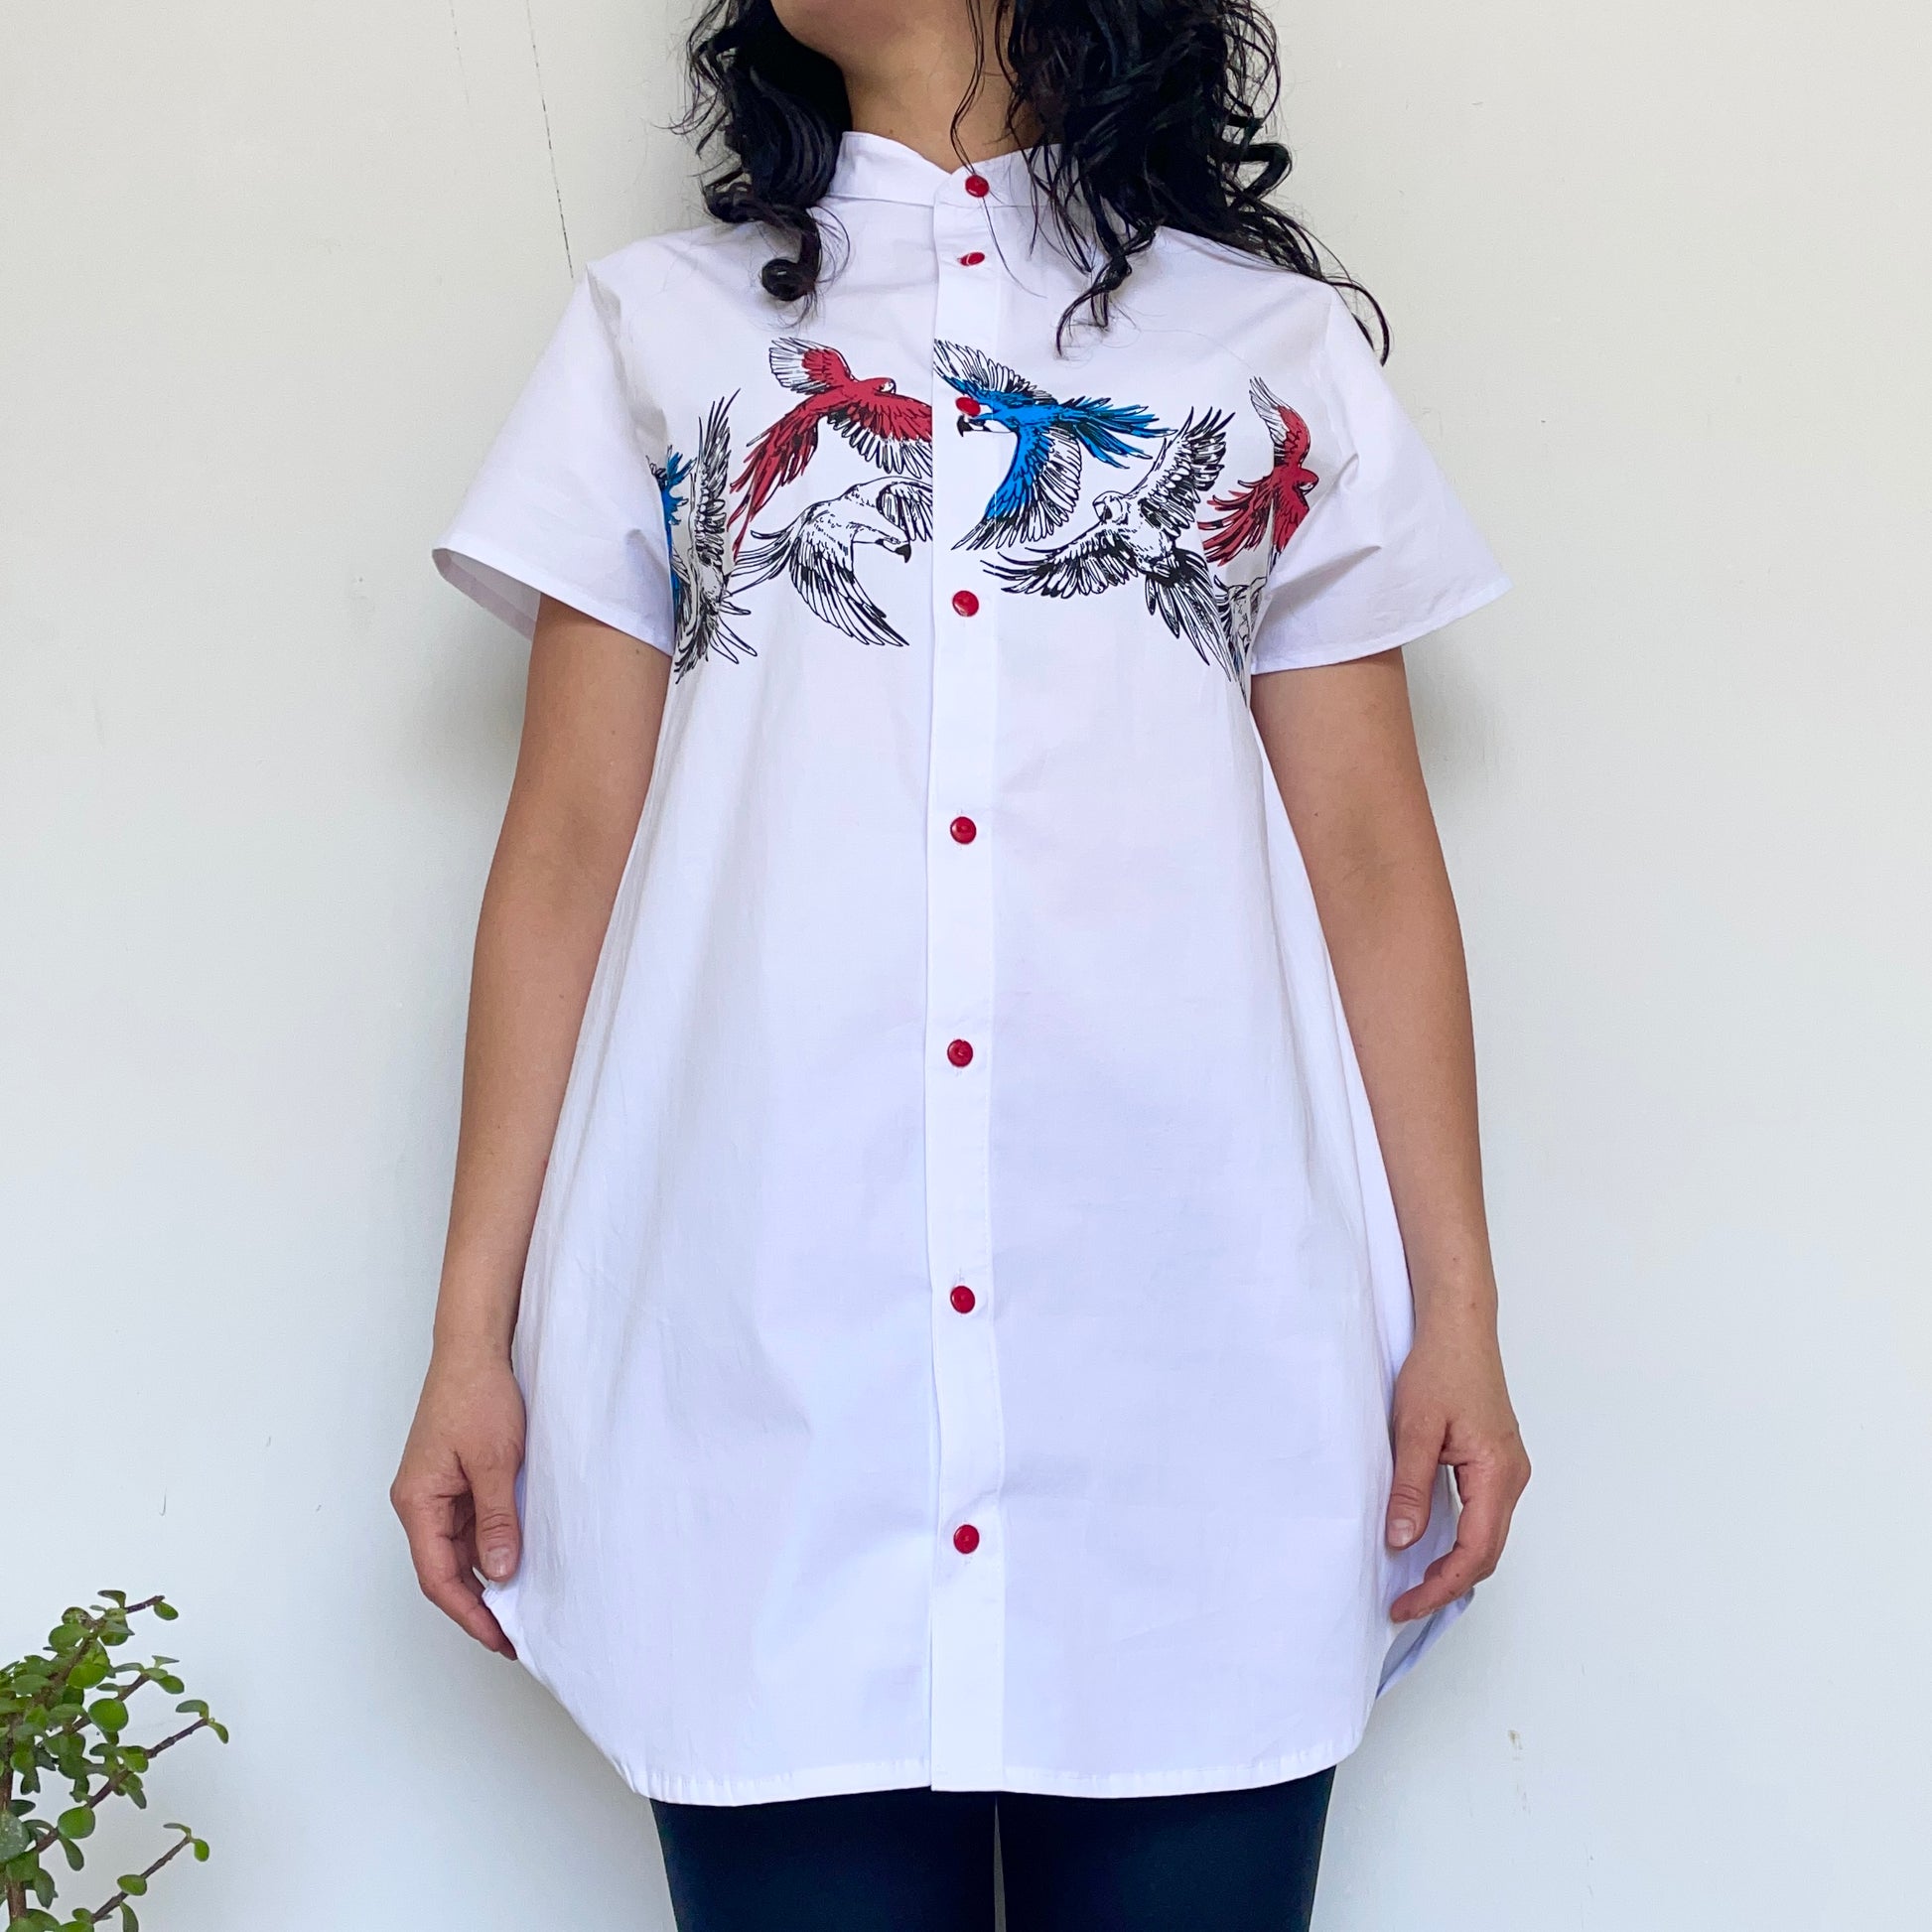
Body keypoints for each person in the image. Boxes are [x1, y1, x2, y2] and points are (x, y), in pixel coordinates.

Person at [392, 2, 1531, 1925]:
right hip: (768, 1372)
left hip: (1189, 1375)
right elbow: (567, 849)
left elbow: (1369, 861)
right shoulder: (659, 331)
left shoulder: (1261, 352)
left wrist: (1459, 1321)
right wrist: (466, 1338)